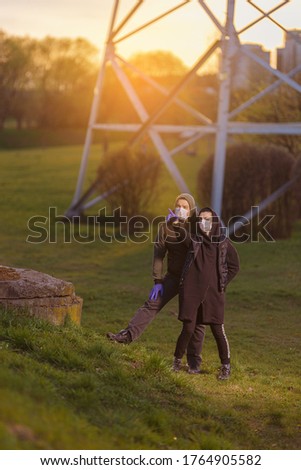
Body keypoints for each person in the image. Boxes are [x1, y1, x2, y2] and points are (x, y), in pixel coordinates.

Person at [106, 193, 206, 374]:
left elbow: (194, 247)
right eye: (178, 205)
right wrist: (158, 280)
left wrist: (180, 228)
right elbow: (159, 255)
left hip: (193, 280)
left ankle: (194, 363)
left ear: (191, 211)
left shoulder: (197, 227)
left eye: (185, 207)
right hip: (174, 276)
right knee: (152, 303)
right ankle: (126, 335)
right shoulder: (165, 227)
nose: (181, 209)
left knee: (194, 320)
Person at [172, 207, 240, 380]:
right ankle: (176, 362)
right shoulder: (194, 240)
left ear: (215, 221)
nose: (204, 222)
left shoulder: (223, 243)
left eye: (208, 219)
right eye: (201, 219)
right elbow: (181, 234)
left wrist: (221, 282)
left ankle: (226, 367)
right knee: (187, 329)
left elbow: (234, 266)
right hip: (191, 292)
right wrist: (178, 222)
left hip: (214, 295)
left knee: (217, 330)